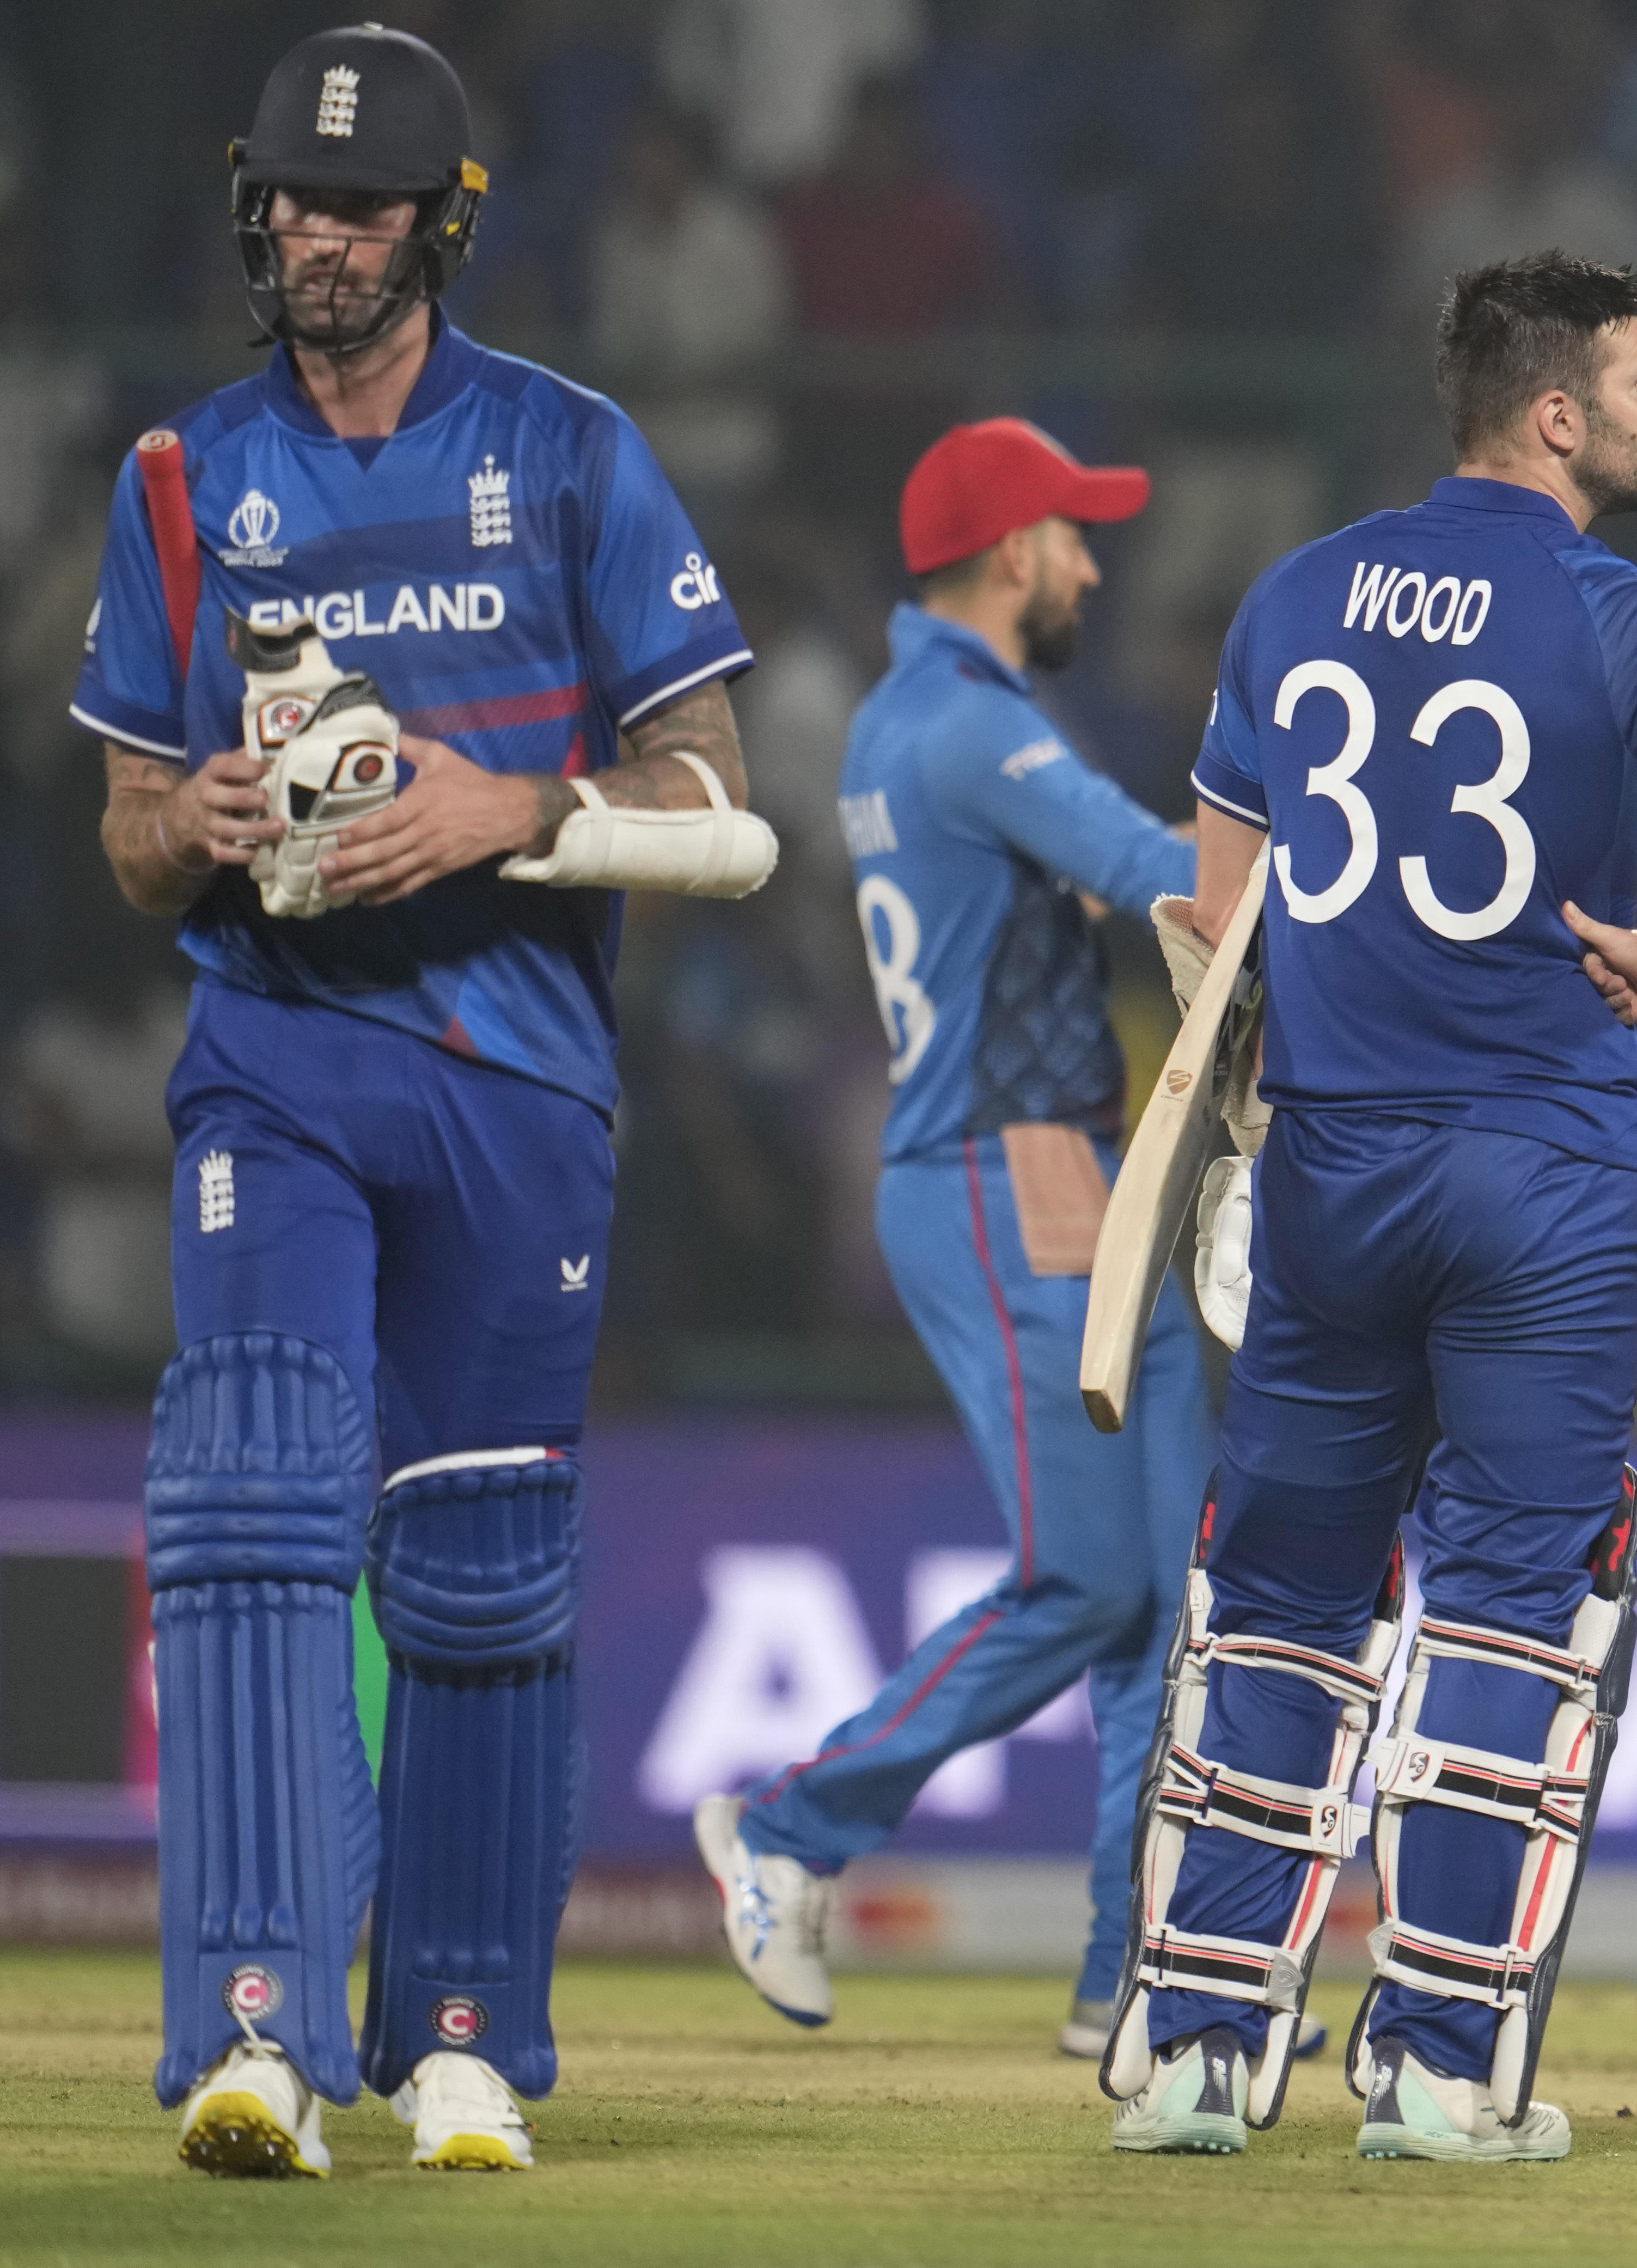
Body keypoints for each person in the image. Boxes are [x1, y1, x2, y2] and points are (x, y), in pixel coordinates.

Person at [72, 26, 767, 2177]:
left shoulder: (567, 452)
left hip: (520, 1077)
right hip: (275, 1059)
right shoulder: (181, 476)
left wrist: (510, 808)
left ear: (444, 224)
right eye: (287, 198)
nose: (314, 234)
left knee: (478, 1552)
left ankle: (463, 2031)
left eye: (359, 206)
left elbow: (729, 818)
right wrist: (185, 815)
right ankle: (251, 2034)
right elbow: (118, 826)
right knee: (256, 1501)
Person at [1105, 252, 1637, 2164]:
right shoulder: (1629, 615)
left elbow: (1218, 934)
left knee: (1277, 1605)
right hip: (1537, 1174)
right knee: (1516, 1620)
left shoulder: (1290, 598)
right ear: (1556, 413)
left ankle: (1199, 2055)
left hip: (1331, 1174)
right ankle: (1440, 2075)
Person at [690, 418, 1218, 2062]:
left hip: (1059, 1165)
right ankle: (789, 1827)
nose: (1093, 562)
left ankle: (1123, 1971)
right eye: (1074, 534)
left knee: (1143, 1600)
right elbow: (1172, 878)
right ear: (1008, 553)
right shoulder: (972, 731)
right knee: (1087, 1579)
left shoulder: (912, 717)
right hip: (1003, 1172)